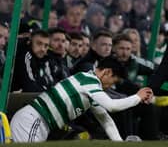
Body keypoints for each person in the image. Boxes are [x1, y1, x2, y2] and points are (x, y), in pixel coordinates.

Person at [10, 55, 153, 142]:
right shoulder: (89, 80)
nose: (110, 87)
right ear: (107, 72)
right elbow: (112, 106)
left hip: (39, 124)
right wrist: (137, 97)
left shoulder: (89, 86)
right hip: (33, 120)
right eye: (113, 82)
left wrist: (119, 142)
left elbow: (105, 119)